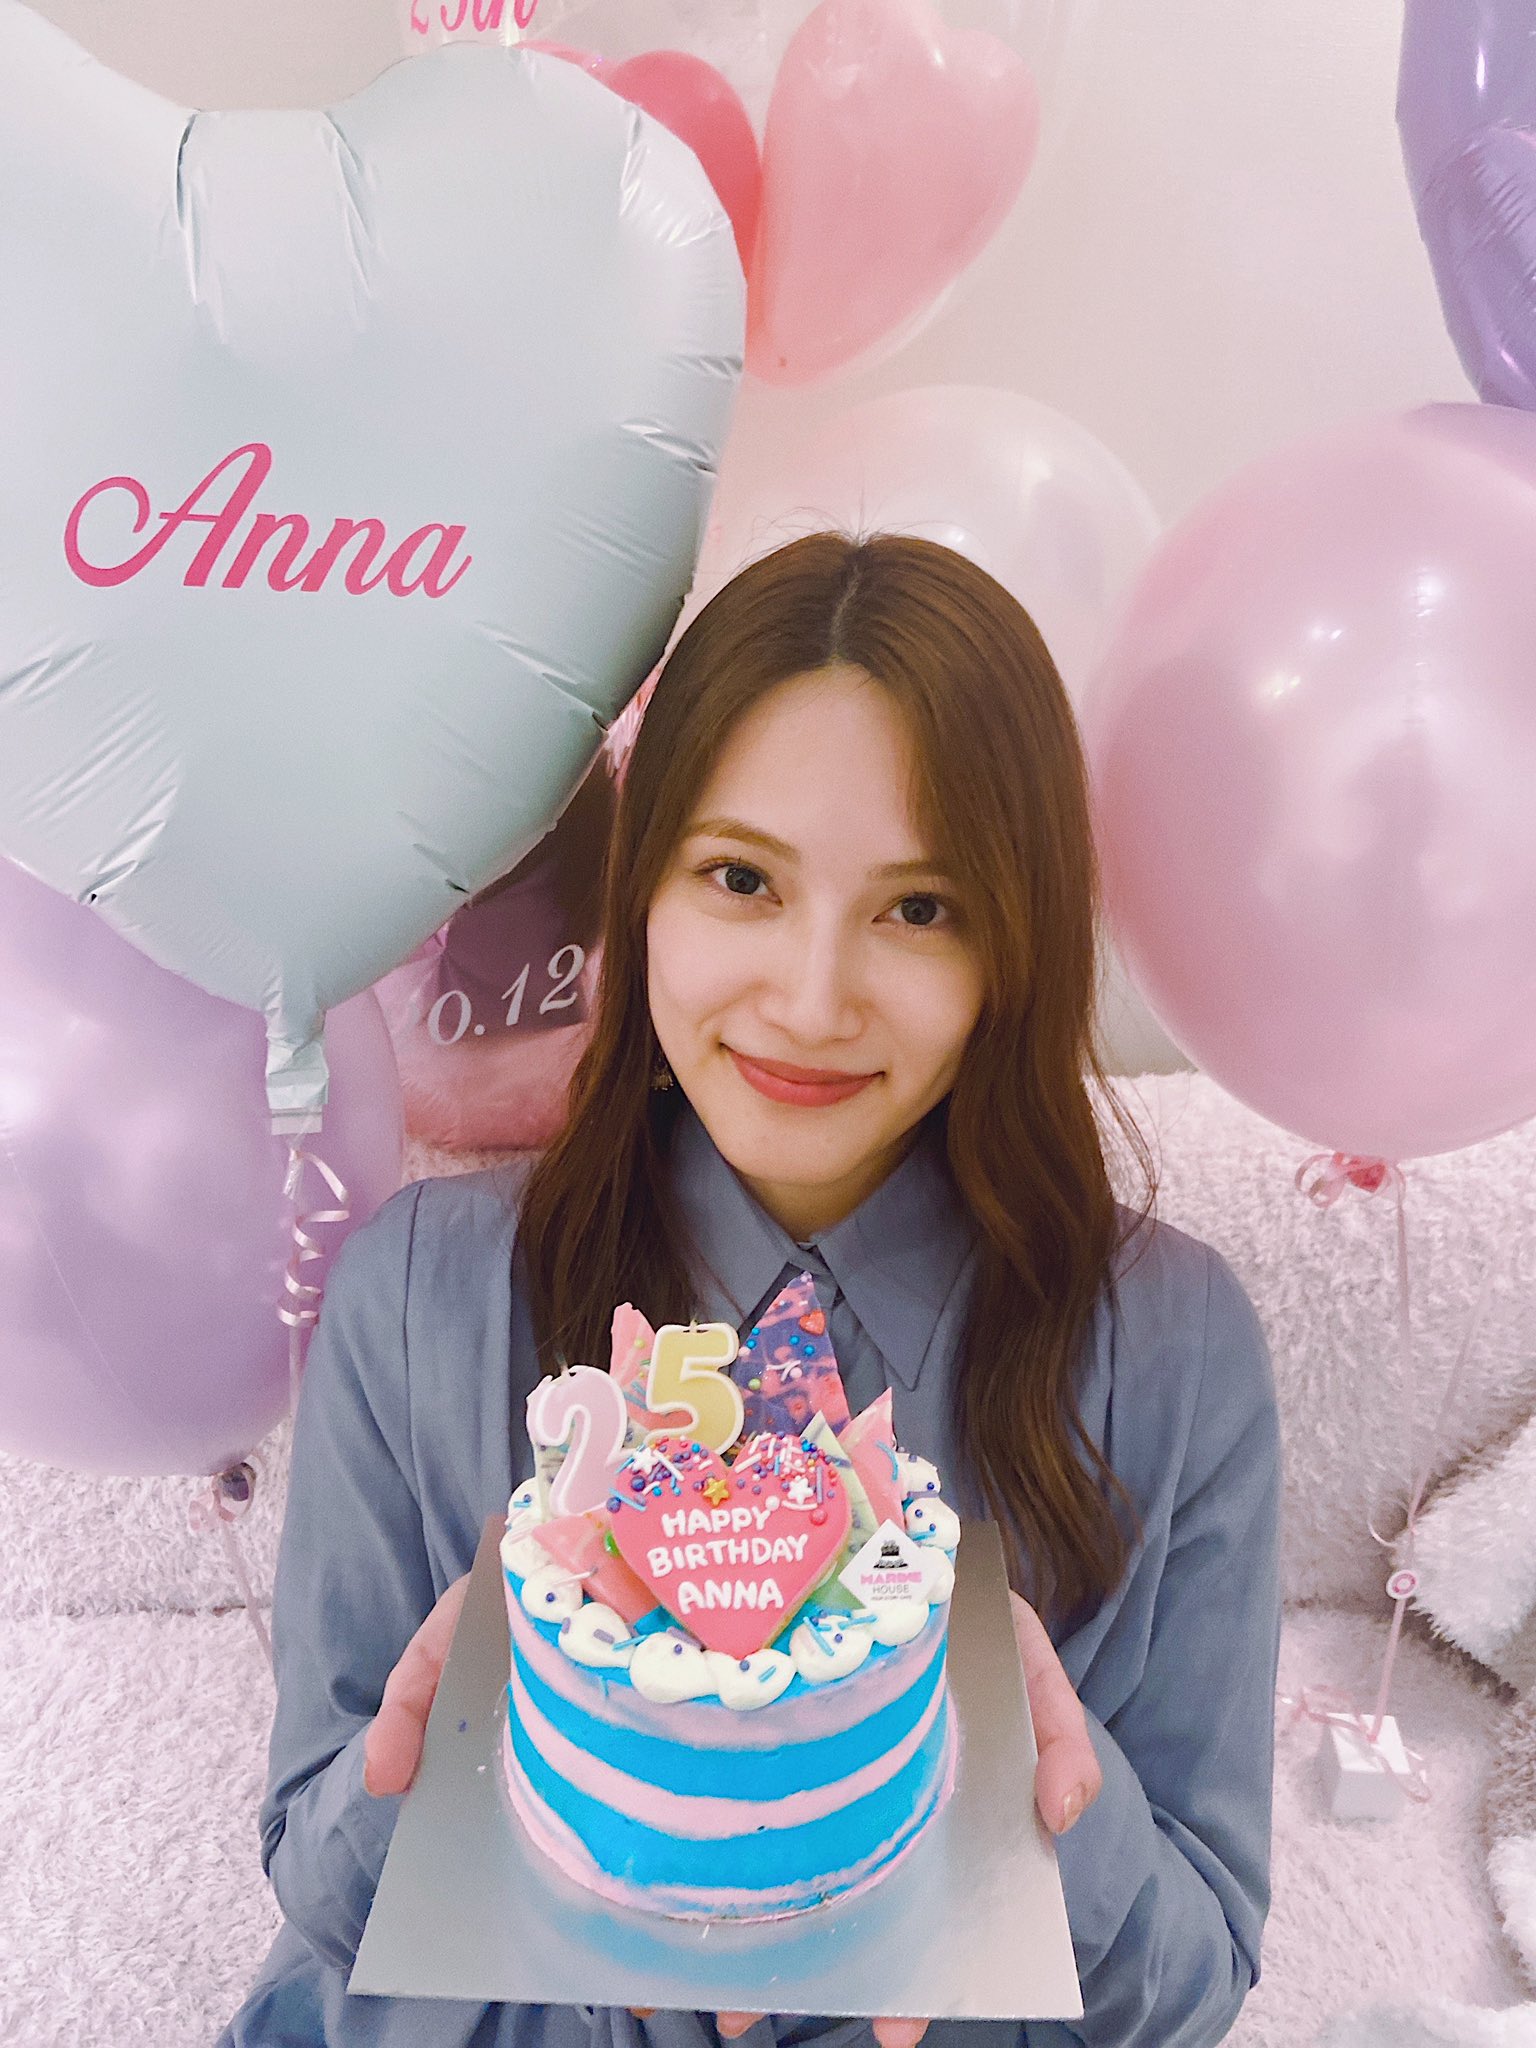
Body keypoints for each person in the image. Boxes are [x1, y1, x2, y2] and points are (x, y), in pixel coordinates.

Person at [218, 531, 1283, 2048]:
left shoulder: (1170, 1350)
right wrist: (439, 1765)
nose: (811, 997)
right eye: (742, 880)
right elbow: (318, 1877)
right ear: (643, 887)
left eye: (920, 908)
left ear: (1016, 945)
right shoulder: (415, 1298)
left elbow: (1193, 1982)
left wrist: (1065, 1805)